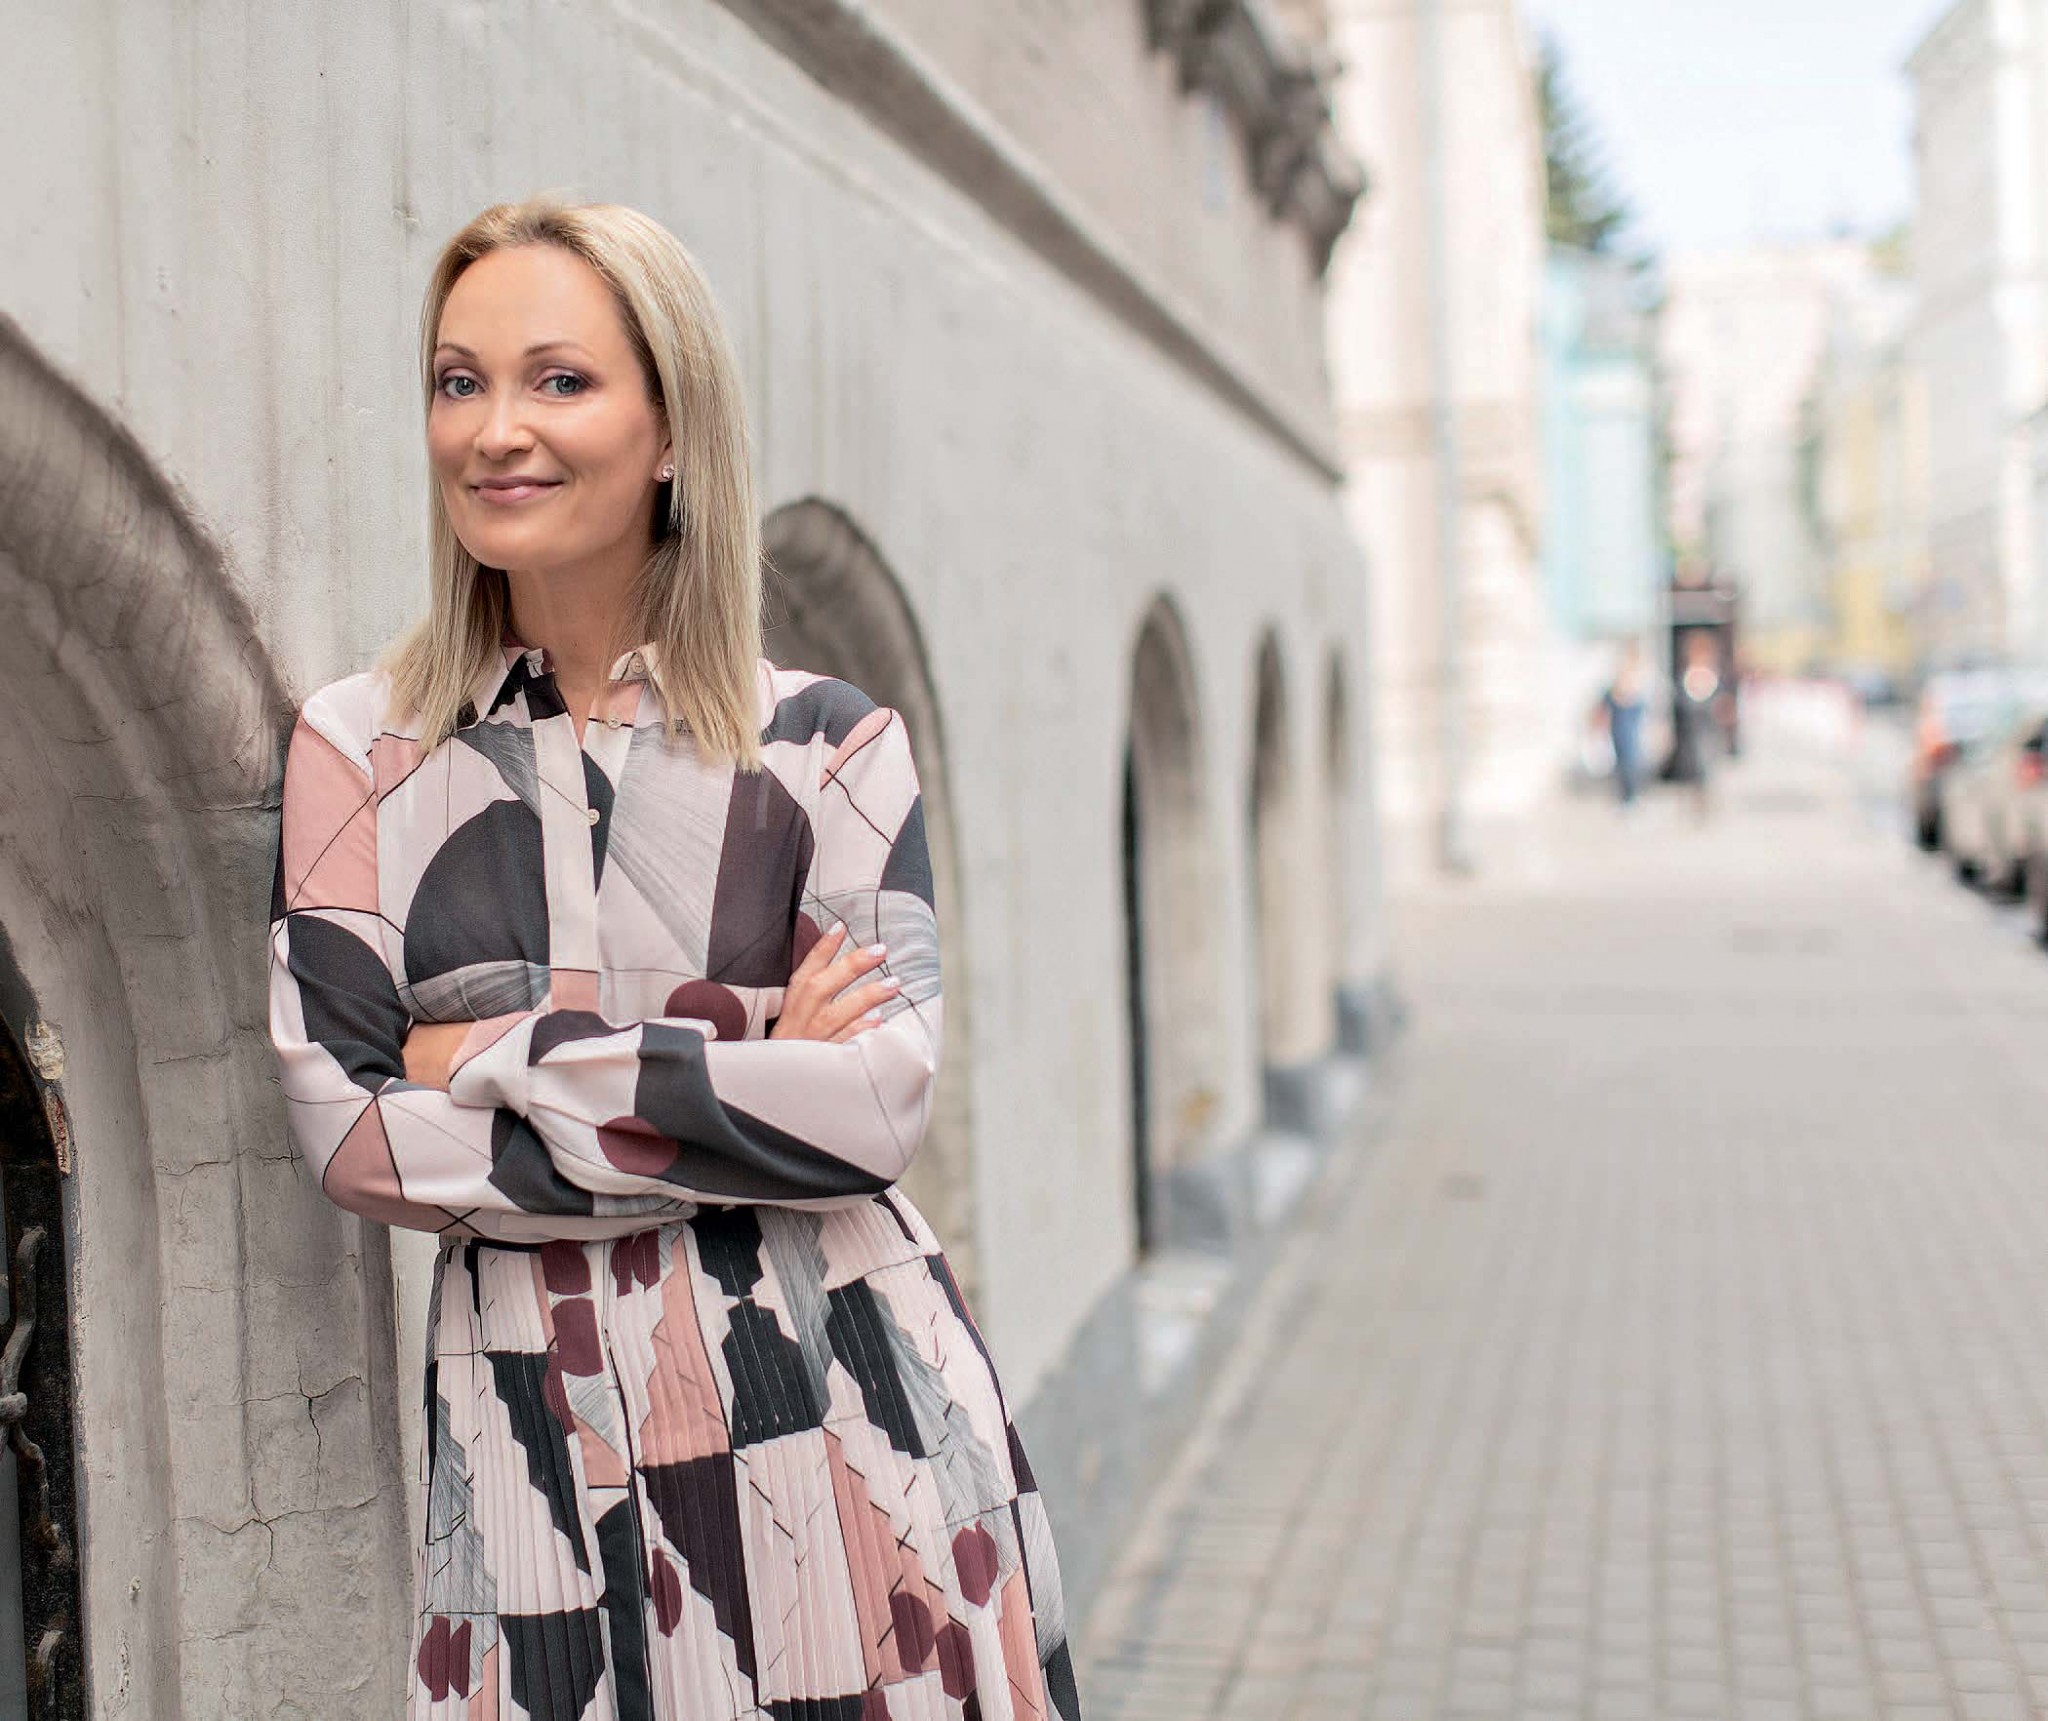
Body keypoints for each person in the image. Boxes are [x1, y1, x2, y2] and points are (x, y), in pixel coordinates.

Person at [267, 196, 1082, 1720]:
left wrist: (483, 1058)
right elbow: (352, 1135)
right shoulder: (361, 751)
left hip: (842, 1424)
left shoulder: (828, 745)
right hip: (531, 1444)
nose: (496, 430)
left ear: (670, 430)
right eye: (459, 381)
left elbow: (876, 1112)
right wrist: (749, 1068)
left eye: (560, 380)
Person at [1598, 642, 1649, 808]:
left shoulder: (1637, 689)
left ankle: (1631, 796)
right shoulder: (1613, 689)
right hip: (1618, 732)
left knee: (1631, 763)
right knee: (1621, 764)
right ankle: (1625, 796)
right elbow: (1604, 708)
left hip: (1631, 734)